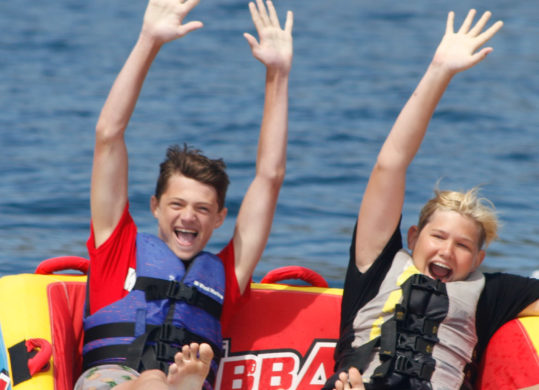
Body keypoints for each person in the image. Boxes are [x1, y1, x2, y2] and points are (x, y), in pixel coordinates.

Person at [75, 0, 293, 388]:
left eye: (202, 208)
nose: (188, 216)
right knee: (154, 380)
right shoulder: (116, 248)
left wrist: (278, 74)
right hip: (114, 380)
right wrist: (149, 41)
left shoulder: (228, 274)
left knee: (163, 381)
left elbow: (270, 176)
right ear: (155, 207)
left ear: (220, 218)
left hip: (181, 381)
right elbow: (108, 135)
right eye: (177, 204)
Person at [324, 9, 539, 390]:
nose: (447, 251)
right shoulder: (377, 268)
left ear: (478, 260)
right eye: (438, 236)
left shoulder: (490, 293)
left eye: (462, 245)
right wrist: (440, 70)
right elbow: (390, 164)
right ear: (412, 238)